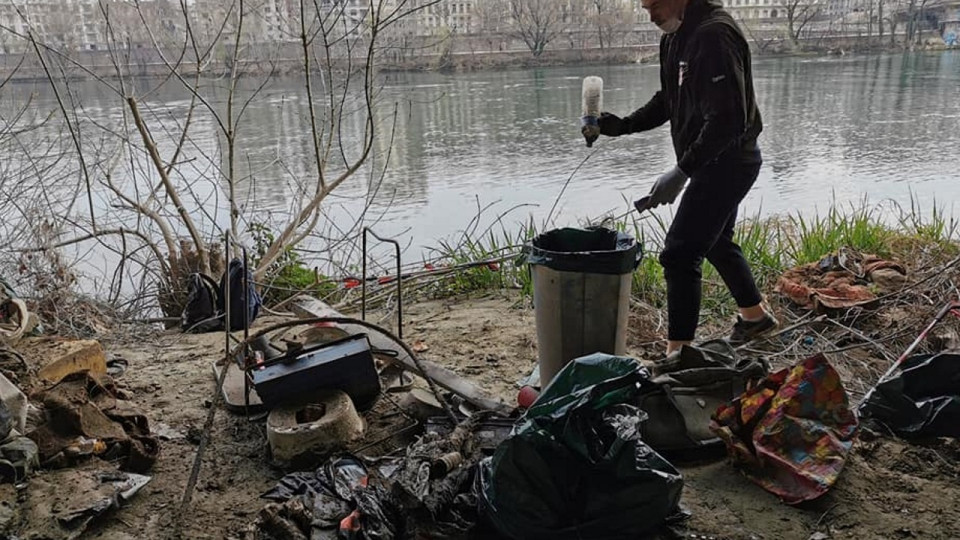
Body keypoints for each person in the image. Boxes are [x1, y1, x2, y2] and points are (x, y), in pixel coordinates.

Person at [597, 0, 777, 354]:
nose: (650, 16)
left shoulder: (714, 35)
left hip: (730, 161)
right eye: (645, 7)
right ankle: (756, 319)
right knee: (716, 241)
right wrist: (625, 126)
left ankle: (678, 354)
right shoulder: (675, 35)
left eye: (656, 5)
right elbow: (670, 97)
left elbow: (729, 119)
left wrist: (681, 172)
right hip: (709, 160)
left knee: (679, 255)